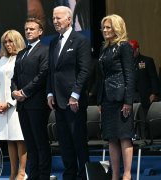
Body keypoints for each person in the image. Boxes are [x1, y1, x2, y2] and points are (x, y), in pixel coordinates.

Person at [47, 6, 92, 180]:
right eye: (53, 18)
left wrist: (75, 95)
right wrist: (49, 93)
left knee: (78, 141)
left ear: (69, 19)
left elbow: (84, 71)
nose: (55, 21)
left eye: (58, 18)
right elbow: (52, 71)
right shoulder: (53, 42)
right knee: (65, 143)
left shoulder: (80, 40)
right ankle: (69, 175)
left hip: (74, 101)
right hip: (58, 101)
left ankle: (83, 176)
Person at [11, 18, 51, 180]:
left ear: (40, 31)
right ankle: (33, 175)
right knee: (30, 143)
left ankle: (43, 176)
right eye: (26, 29)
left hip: (37, 103)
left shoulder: (45, 50)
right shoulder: (21, 53)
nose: (28, 31)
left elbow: (43, 74)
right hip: (22, 105)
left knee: (40, 142)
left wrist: (25, 92)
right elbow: (14, 77)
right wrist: (14, 92)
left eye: (32, 29)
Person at [97, 14, 135, 180]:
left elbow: (129, 75)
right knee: (111, 138)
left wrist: (128, 101)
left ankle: (126, 174)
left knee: (124, 136)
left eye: (109, 27)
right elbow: (102, 76)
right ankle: (114, 175)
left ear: (117, 28)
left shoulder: (124, 46)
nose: (105, 30)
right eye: (104, 27)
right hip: (107, 98)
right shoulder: (104, 48)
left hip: (120, 98)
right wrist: (99, 100)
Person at [0, 30, 27, 180]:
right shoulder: (2, 60)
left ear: (17, 41)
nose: (8, 44)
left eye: (10, 41)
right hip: (2, 106)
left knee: (19, 138)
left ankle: (22, 172)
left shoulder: (22, 57)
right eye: (5, 42)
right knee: (9, 139)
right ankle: (13, 173)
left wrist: (9, 103)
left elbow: (22, 84)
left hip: (16, 105)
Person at [129, 40, 160, 116]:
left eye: (132, 51)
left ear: (137, 49)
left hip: (145, 95)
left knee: (146, 117)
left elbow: (153, 78)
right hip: (132, 96)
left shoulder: (147, 61)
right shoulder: (126, 63)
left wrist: (154, 93)